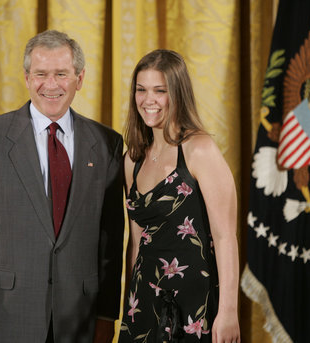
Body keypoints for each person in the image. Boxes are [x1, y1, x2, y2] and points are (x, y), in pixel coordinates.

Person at [0, 30, 125, 343]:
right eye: (41, 74)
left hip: (80, 319)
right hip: (5, 315)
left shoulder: (107, 144)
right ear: (27, 77)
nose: (51, 85)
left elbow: (110, 239)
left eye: (61, 74)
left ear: (79, 78)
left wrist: (107, 314)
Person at [118, 49, 240, 343]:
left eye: (160, 91)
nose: (149, 100)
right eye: (141, 90)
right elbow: (135, 244)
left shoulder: (199, 150)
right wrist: (127, 307)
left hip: (194, 304)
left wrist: (228, 312)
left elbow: (225, 238)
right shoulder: (132, 160)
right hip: (144, 302)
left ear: (178, 93)